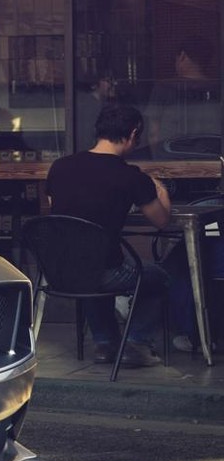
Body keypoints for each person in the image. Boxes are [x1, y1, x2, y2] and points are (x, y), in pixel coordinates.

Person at [44, 102, 173, 367]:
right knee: (157, 277)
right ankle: (134, 342)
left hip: (58, 271)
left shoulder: (60, 167)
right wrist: (160, 190)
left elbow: (53, 207)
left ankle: (105, 343)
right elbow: (161, 221)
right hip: (101, 272)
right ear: (134, 133)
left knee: (91, 264)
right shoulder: (129, 176)